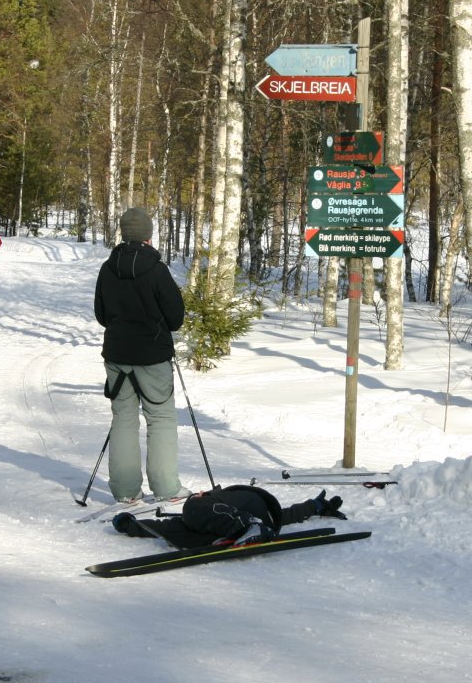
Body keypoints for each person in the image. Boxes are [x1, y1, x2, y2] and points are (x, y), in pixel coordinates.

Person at [94, 206, 185, 502]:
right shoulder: (157, 270)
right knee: (160, 418)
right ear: (148, 235)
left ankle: (125, 490)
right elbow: (175, 318)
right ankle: (166, 487)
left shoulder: (108, 268)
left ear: (124, 234)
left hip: (117, 354)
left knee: (123, 418)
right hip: (152, 355)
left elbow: (101, 314)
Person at [112, 483, 347, 548]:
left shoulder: (205, 503)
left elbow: (199, 507)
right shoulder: (205, 518)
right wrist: (314, 506)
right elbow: (283, 516)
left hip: (251, 505)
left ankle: (247, 527)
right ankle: (247, 530)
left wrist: (201, 498)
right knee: (183, 535)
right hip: (263, 520)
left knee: (190, 508)